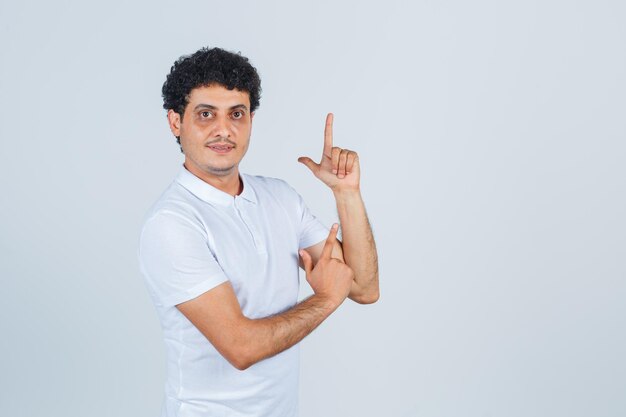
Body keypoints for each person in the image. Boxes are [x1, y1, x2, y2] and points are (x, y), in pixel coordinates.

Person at [138, 46, 379, 417]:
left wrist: (346, 193)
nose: (224, 130)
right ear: (175, 122)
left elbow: (363, 287)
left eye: (237, 114)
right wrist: (326, 299)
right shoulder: (172, 223)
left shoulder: (280, 197)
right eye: (206, 114)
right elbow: (241, 347)